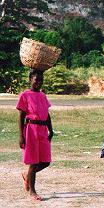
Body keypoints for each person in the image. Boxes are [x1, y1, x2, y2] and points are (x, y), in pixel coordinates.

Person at [16, 69, 53, 201]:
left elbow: (47, 114)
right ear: (30, 79)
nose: (39, 82)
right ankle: (32, 191)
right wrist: (21, 136)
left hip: (43, 130)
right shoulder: (25, 95)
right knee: (33, 162)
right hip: (31, 130)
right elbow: (21, 116)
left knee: (46, 161)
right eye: (36, 79)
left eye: (41, 80)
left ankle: (27, 176)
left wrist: (51, 129)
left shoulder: (43, 95)